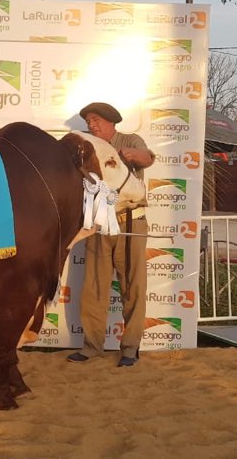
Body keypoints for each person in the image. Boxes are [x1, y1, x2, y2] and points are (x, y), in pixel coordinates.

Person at [67, 102, 155, 368]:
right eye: (88, 122)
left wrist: (128, 155)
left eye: (95, 120)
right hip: (99, 223)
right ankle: (92, 346)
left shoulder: (128, 139)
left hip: (131, 222)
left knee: (132, 286)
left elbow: (148, 158)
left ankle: (130, 348)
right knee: (94, 286)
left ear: (110, 121)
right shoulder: (87, 146)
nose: (91, 125)